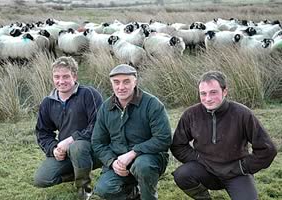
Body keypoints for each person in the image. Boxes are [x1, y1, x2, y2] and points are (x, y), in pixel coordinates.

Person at [170, 70, 277, 200]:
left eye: (213, 92)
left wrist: (243, 167)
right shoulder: (191, 114)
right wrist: (198, 158)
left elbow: (268, 149)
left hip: (236, 174)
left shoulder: (242, 114)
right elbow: (178, 145)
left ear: (224, 91)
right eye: (203, 94)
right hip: (205, 170)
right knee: (182, 175)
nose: (208, 98)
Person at [91, 64, 172, 200]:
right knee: (103, 189)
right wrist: (112, 162)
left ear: (135, 82)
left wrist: (134, 152)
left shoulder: (152, 104)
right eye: (116, 82)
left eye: (126, 81)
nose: (121, 87)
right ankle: (133, 193)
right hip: (119, 161)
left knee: (142, 165)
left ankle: (148, 196)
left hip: (149, 159)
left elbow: (164, 138)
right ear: (111, 84)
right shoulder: (105, 108)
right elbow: (98, 142)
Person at [33, 56, 103, 200]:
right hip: (66, 152)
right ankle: (79, 173)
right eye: (57, 77)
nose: (61, 81)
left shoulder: (89, 94)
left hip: (93, 148)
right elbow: (43, 132)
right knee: (42, 179)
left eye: (66, 76)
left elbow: (98, 125)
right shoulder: (48, 102)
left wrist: (71, 140)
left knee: (78, 147)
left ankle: (84, 189)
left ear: (75, 76)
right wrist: (53, 148)